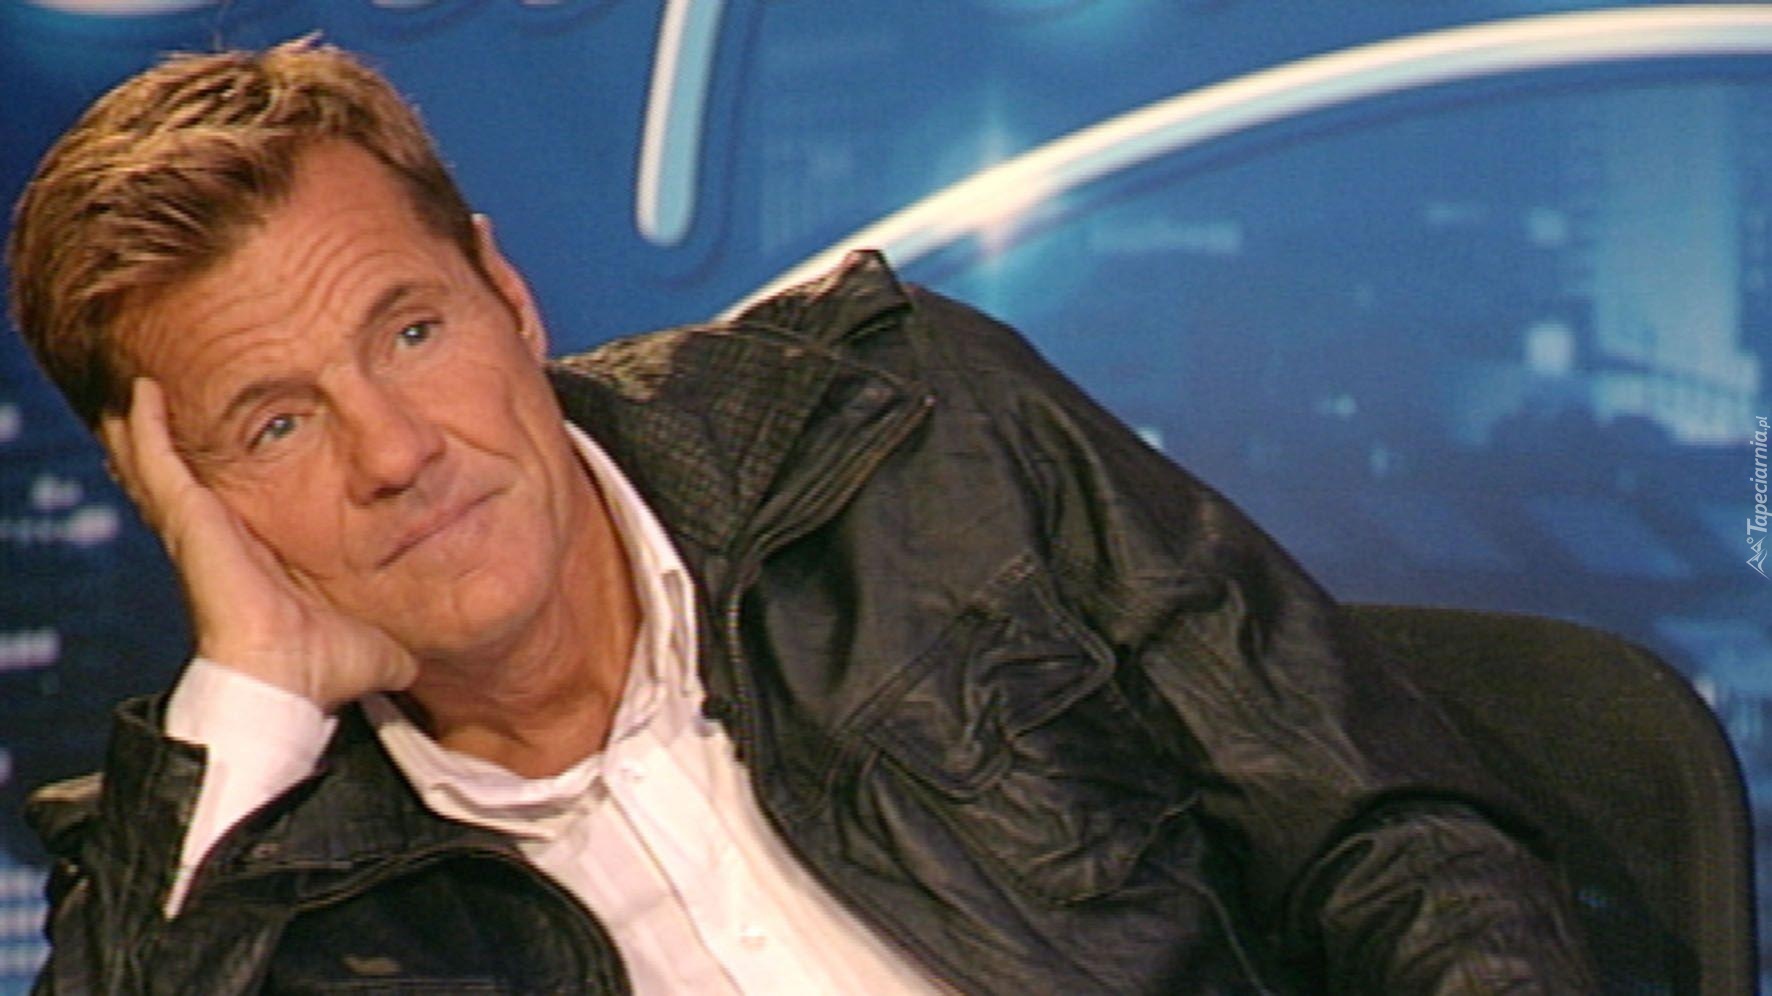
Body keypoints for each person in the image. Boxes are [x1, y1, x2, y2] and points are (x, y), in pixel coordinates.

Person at [10, 39, 1594, 994]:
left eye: (412, 331)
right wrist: (255, 702)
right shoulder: (219, 868)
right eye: (275, 424)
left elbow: (1387, 843)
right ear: (184, 500)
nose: (394, 451)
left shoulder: (902, 427)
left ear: (508, 292)